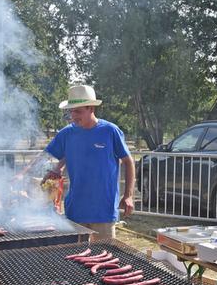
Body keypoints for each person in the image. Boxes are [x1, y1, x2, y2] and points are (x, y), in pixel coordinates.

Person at [22, 85, 135, 240]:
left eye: (78, 111)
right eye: (71, 111)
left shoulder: (110, 131)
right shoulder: (67, 133)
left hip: (103, 208)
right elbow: (46, 156)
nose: (73, 115)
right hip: (76, 208)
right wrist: (24, 174)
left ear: (91, 109)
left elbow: (128, 162)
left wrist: (128, 195)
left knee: (104, 256)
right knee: (75, 255)